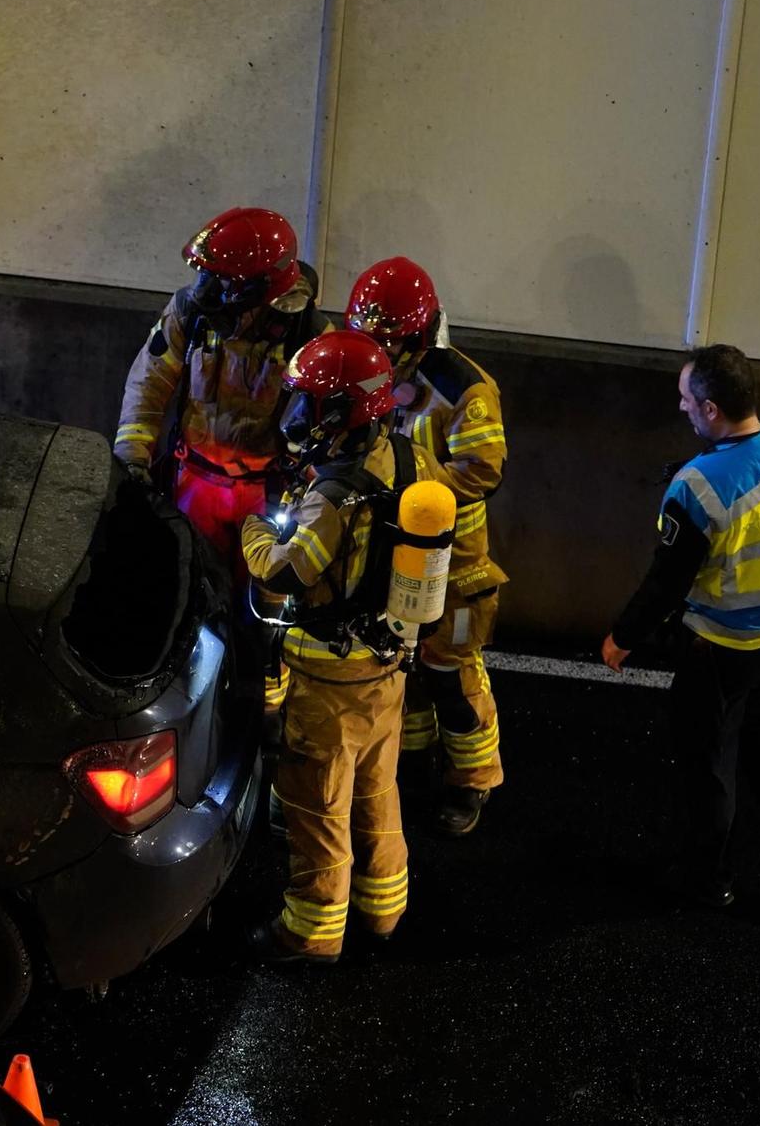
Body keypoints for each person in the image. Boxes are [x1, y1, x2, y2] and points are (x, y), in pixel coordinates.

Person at [601, 345, 760, 907]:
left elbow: (667, 581)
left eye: (687, 399)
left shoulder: (699, 486)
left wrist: (623, 637)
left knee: (710, 758)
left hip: (726, 642)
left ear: (711, 409)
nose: (681, 407)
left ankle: (707, 878)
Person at [238, 330, 445, 962]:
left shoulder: (332, 496)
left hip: (327, 677)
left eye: (309, 404)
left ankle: (311, 932)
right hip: (386, 667)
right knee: (378, 790)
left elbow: (284, 572)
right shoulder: (408, 458)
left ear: (342, 411)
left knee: (318, 804)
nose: (298, 416)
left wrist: (254, 530)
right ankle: (384, 912)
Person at [114, 207, 331, 711]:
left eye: (221, 280)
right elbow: (148, 386)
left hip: (266, 497)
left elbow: (326, 434)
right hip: (195, 486)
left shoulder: (308, 338)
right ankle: (184, 703)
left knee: (263, 611)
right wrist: (133, 459)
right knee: (187, 597)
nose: (205, 288)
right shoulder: (190, 314)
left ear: (260, 287)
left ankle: (259, 713)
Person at [345, 257, 507, 834]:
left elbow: (483, 472)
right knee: (396, 666)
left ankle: (472, 781)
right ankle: (411, 762)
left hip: (452, 564)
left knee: (450, 675)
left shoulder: (465, 388)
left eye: (391, 343)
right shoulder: (360, 368)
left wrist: (408, 480)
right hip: (384, 553)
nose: (381, 355)